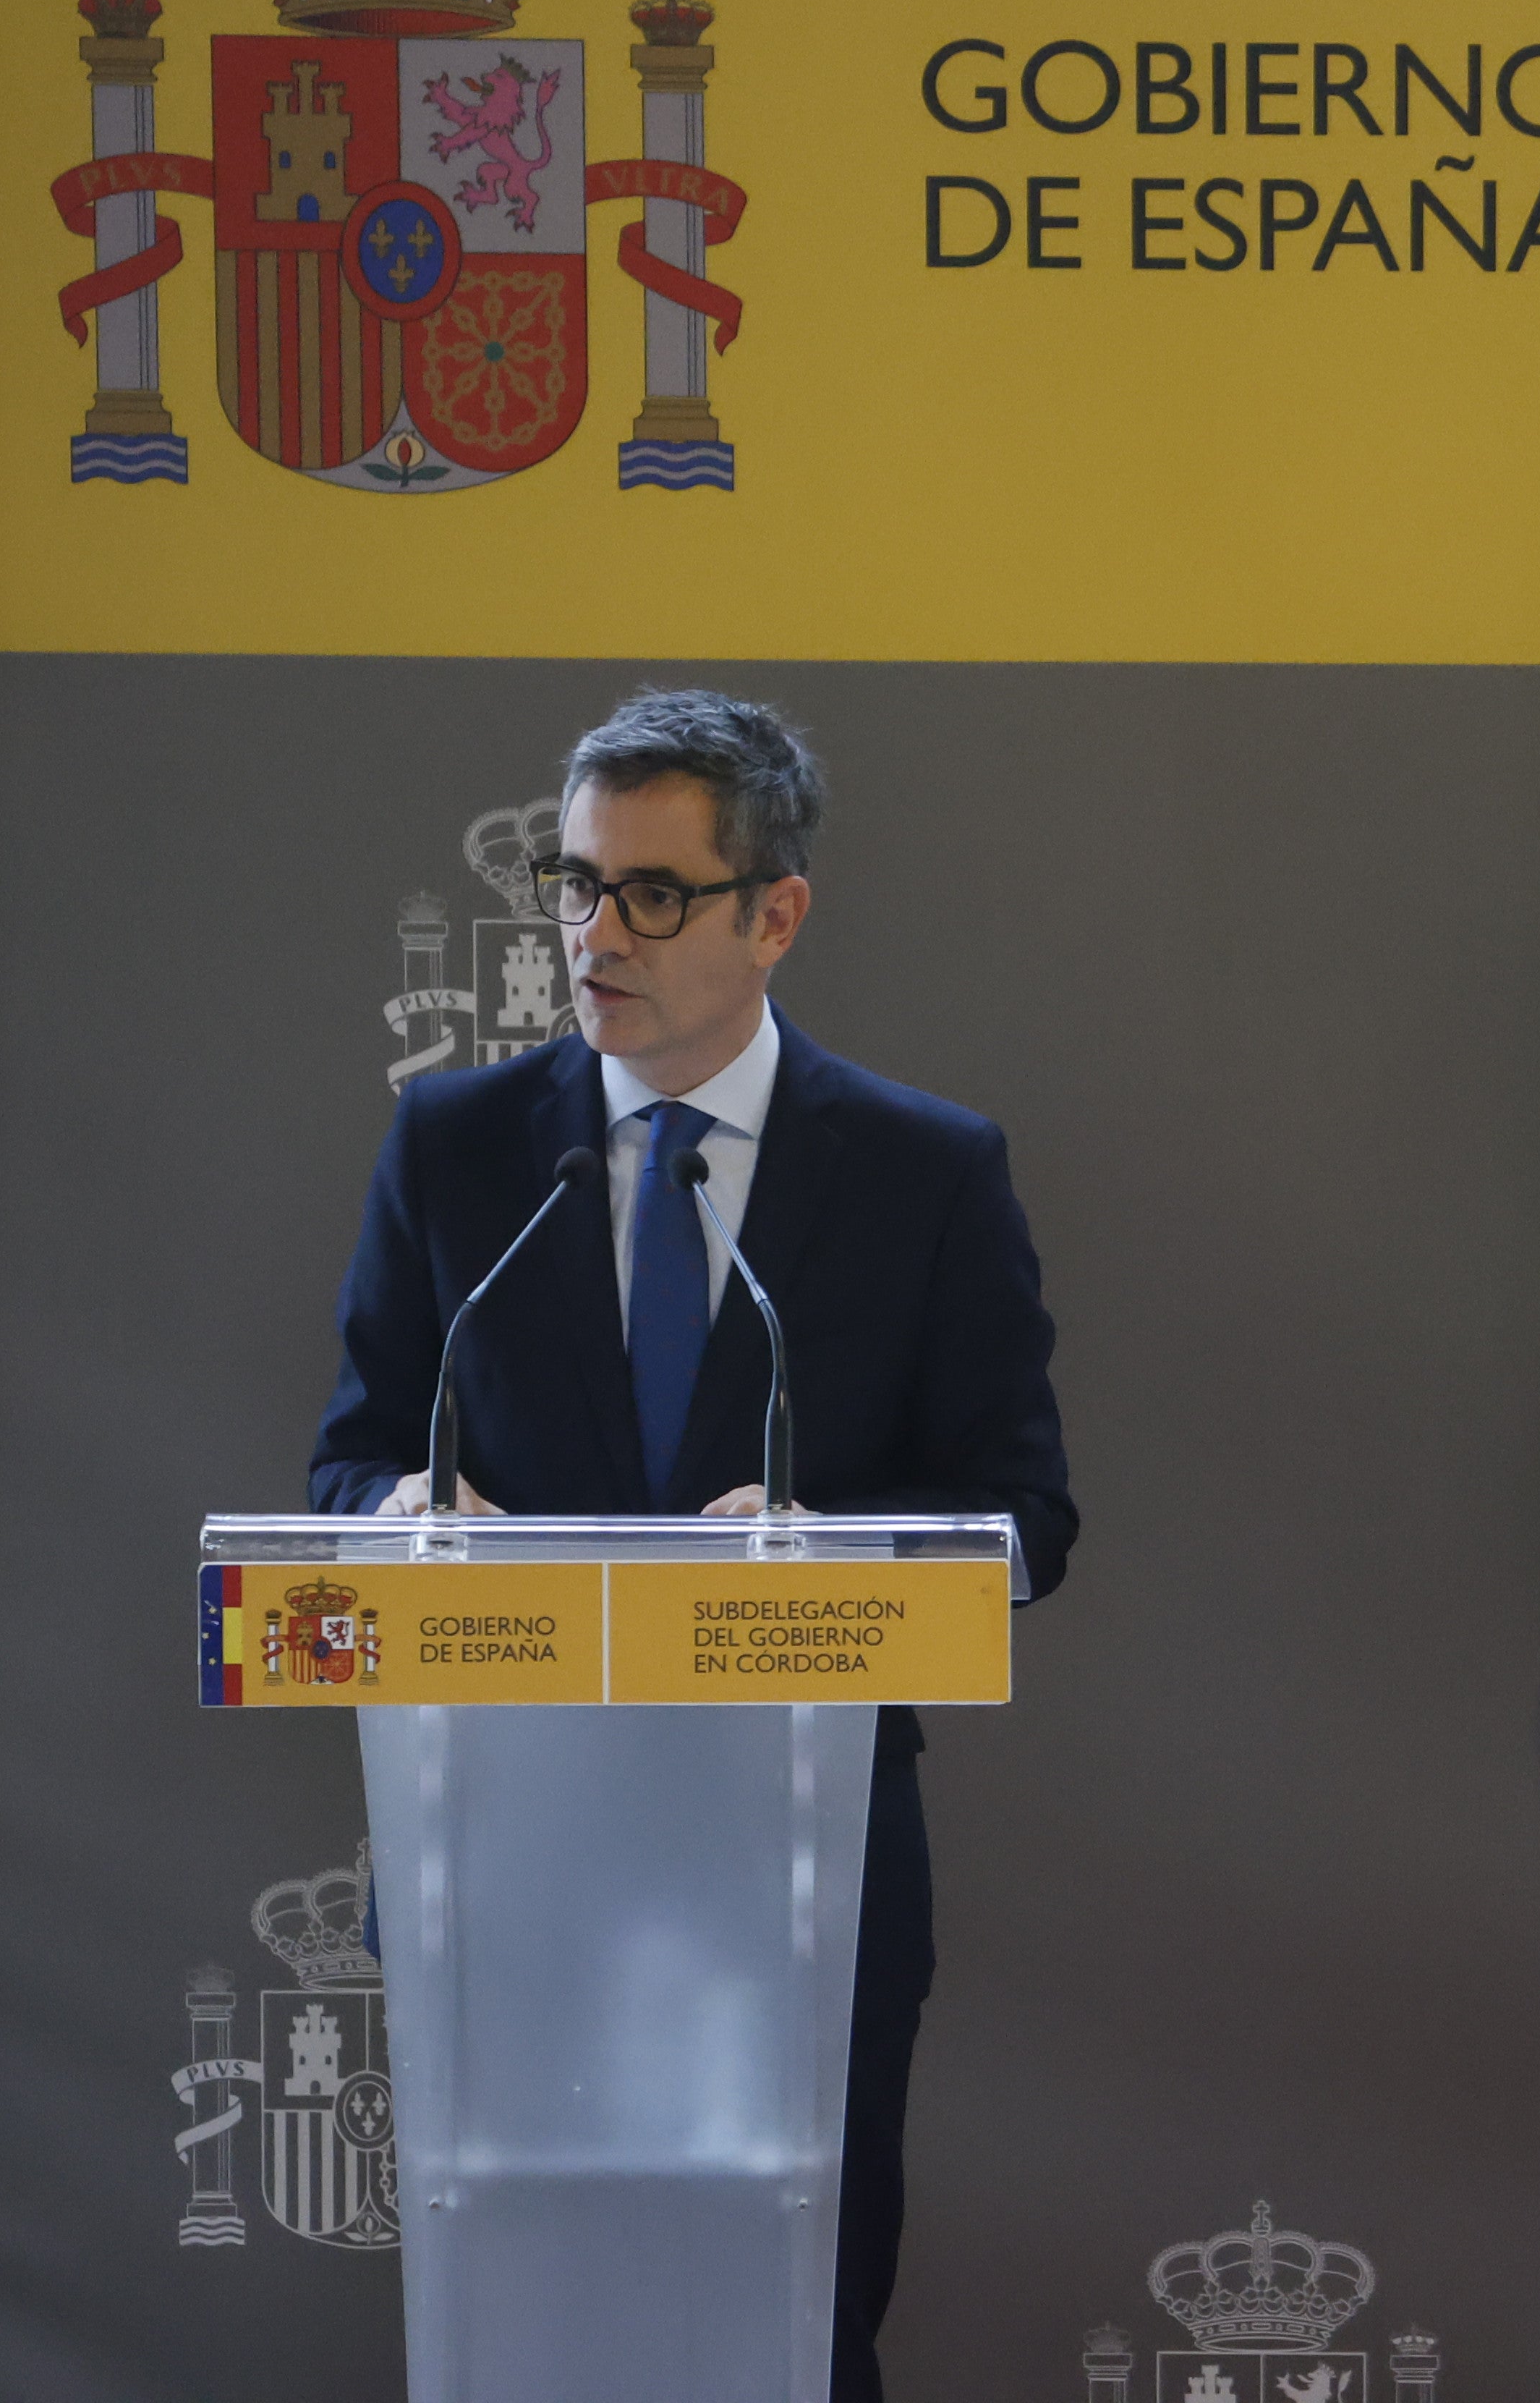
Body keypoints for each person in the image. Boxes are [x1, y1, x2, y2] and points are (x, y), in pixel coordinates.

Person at [308, 687, 1073, 2403]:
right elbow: (350, 1458)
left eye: (653, 892)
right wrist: (402, 1513)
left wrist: (840, 1552)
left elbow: (1028, 1515)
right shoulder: (459, 1150)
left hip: (794, 1874)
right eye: (576, 883)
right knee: (528, 2327)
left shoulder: (923, 1173)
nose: (596, 934)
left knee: (786, 2332)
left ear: (775, 912)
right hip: (505, 1864)